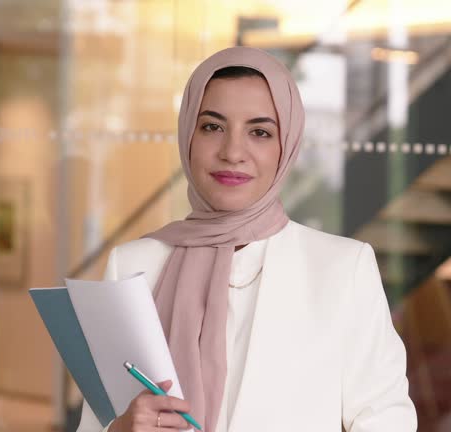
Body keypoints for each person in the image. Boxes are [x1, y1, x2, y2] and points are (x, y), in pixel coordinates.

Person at [76, 46, 417, 432]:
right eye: (212, 127)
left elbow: (385, 419)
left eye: (259, 132)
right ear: (187, 134)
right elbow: (94, 423)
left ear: (285, 146)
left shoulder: (342, 267)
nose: (233, 152)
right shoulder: (132, 265)